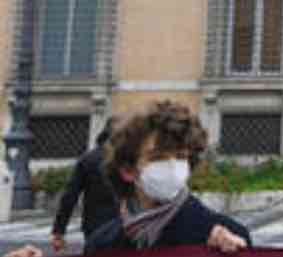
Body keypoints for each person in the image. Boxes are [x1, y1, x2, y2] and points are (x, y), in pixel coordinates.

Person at [85, 100, 251, 254]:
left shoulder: (226, 236)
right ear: (128, 171)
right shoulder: (101, 244)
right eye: (158, 158)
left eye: (180, 157)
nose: (172, 167)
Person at [51, 118, 120, 252]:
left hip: (94, 225)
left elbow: (70, 196)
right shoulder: (130, 160)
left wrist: (59, 231)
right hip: (122, 225)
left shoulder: (88, 159)